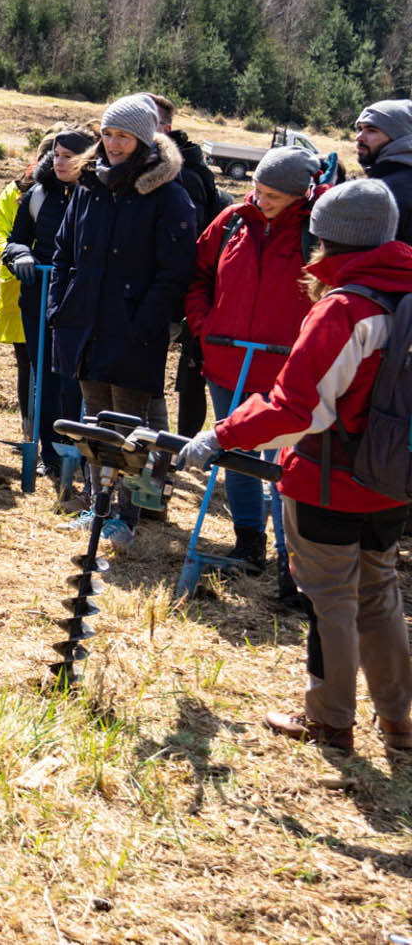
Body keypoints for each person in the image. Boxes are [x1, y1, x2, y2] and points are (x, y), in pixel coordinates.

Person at [176, 180, 412, 754]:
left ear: (325, 238)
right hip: (395, 478)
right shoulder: (402, 294)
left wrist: (221, 435)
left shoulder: (345, 309)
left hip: (328, 479)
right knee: (380, 593)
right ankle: (400, 721)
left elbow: (297, 408)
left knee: (330, 599)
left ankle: (330, 719)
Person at [47, 94, 198, 553]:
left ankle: (125, 518)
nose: (113, 143)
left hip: (133, 330)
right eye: (108, 133)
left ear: (143, 139)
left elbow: (174, 272)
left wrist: (143, 321)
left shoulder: (168, 194)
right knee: (93, 422)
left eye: (124, 136)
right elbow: (64, 251)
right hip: (85, 324)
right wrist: (61, 303)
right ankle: (96, 506)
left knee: (128, 428)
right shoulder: (89, 184)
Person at [182, 147, 316, 580]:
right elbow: (199, 275)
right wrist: (204, 324)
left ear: (300, 194)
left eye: (273, 195)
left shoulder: (315, 233)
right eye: (257, 189)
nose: (261, 199)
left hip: (286, 373)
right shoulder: (233, 221)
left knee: (284, 466)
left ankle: (290, 559)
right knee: (234, 449)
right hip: (226, 360)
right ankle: (248, 543)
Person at [1, 124, 96, 491]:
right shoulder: (38, 195)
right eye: (55, 155)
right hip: (38, 299)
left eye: (68, 156)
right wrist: (20, 254)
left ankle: (78, 456)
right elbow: (15, 240)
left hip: (80, 303)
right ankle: (51, 457)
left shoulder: (98, 198)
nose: (59, 162)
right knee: (46, 380)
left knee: (76, 383)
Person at [145, 93, 223, 437]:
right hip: (152, 293)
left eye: (149, 122)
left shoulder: (185, 176)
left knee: (155, 378)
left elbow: (182, 248)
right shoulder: (142, 164)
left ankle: (168, 453)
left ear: (166, 127)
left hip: (173, 298)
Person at [0, 159, 33, 448]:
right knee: (25, 363)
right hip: (19, 288)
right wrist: (14, 255)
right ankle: (29, 433)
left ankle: (56, 436)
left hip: (60, 291)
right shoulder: (16, 191)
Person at [354, 100, 412, 243]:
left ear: (400, 137)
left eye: (371, 130)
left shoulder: (387, 193)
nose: (359, 137)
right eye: (360, 129)